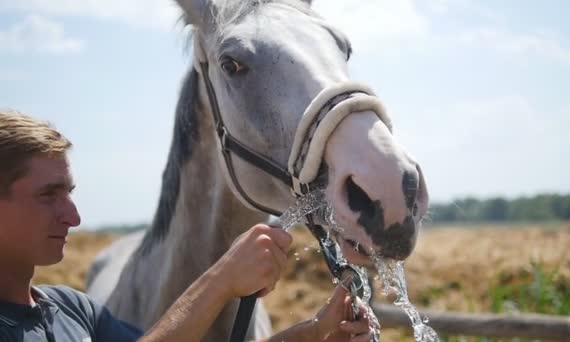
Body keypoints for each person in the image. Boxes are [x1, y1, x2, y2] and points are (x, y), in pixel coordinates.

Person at [0, 109, 373, 342]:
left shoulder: (72, 308)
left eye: (69, 193)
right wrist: (222, 280)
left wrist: (317, 333)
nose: (74, 217)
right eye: (49, 194)